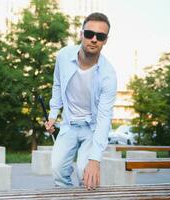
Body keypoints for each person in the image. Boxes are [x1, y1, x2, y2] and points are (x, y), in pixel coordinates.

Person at [45, 12, 117, 190]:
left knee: (86, 175)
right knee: (58, 170)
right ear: (81, 34)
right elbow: (57, 85)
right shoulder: (63, 56)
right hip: (69, 124)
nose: (93, 39)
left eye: (100, 36)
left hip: (92, 128)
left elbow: (104, 118)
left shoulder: (108, 75)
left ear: (105, 41)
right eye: (89, 34)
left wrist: (95, 160)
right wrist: (53, 115)